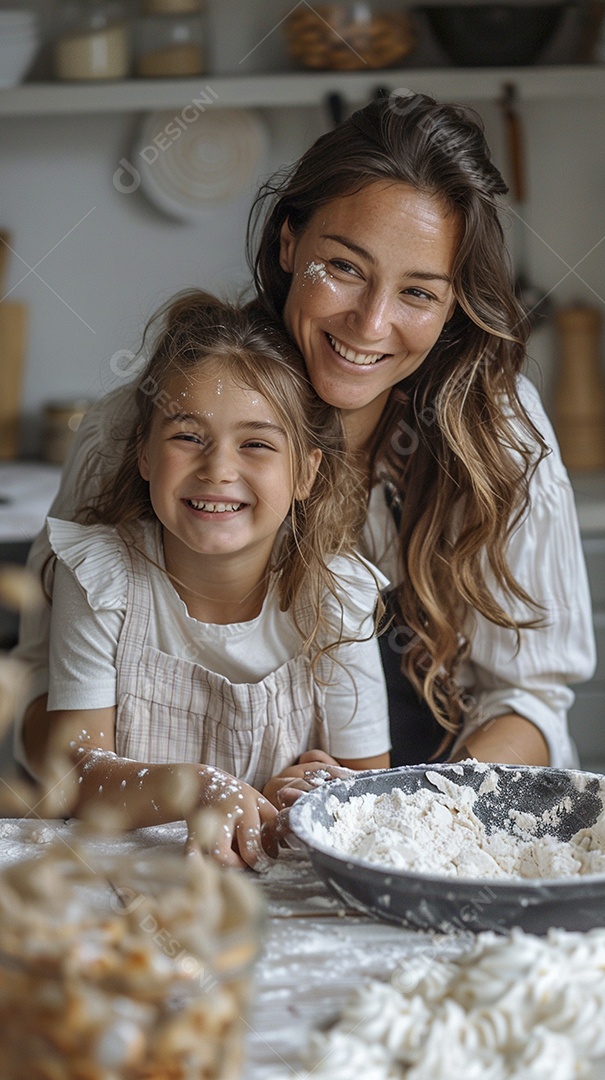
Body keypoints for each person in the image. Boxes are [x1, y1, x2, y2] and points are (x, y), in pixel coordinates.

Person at [16, 92, 594, 806]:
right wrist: (186, 790)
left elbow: (530, 699)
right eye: (344, 268)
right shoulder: (139, 423)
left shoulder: (498, 433)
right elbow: (40, 696)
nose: (371, 322)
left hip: (423, 822)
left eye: (417, 293)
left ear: (451, 308)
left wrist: (387, 812)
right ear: (289, 243)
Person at [23, 292, 390, 867]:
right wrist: (195, 788)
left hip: (279, 890)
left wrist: (318, 787)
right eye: (188, 436)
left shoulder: (337, 597)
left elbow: (373, 783)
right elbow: (75, 769)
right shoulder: (101, 577)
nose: (218, 468)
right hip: (127, 880)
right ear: (144, 453)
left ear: (306, 474)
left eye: (257, 444)